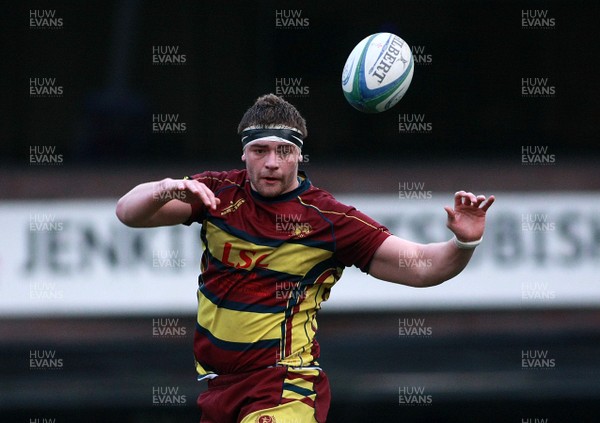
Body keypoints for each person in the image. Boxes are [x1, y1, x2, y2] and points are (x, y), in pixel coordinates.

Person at [115, 93, 495, 423]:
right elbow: (128, 214)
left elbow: (424, 266)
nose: (272, 163)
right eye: (260, 150)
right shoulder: (216, 193)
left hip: (284, 385)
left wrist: (462, 244)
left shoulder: (328, 220)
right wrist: (163, 189)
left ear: (299, 153)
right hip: (218, 387)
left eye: (284, 150)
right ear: (244, 153)